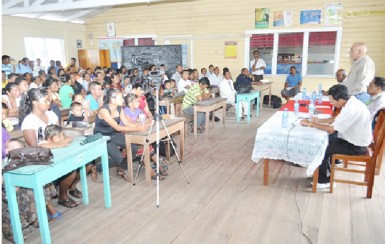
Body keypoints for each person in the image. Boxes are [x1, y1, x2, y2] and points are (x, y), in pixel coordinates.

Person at [300, 84, 372, 189]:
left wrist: (311, 124)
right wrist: (319, 120)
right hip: (350, 138)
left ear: (341, 99)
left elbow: (331, 129)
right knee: (322, 141)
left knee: (322, 148)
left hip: (356, 146)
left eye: (332, 101)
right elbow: (336, 119)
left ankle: (324, 181)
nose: (331, 103)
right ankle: (320, 172)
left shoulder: (352, 109)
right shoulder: (350, 103)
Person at [19, 88, 81, 208]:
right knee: (71, 171)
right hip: (41, 158)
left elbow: (61, 134)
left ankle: (68, 188)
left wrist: (62, 142)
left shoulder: (51, 114)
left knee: (84, 163)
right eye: (46, 100)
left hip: (58, 152)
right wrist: (60, 144)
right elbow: (35, 147)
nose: (49, 103)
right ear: (34, 103)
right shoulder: (29, 121)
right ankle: (63, 197)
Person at [93, 89, 150, 181]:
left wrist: (141, 125)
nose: (123, 99)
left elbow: (127, 123)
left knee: (133, 147)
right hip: (103, 137)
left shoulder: (119, 108)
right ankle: (96, 168)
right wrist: (137, 128)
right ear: (112, 99)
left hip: (113, 134)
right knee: (118, 158)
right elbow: (118, 127)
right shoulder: (104, 110)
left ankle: (122, 168)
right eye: (120, 97)